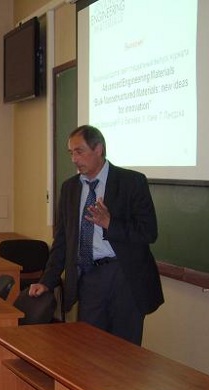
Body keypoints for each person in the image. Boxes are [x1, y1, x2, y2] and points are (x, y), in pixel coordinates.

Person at [29, 125, 164, 346]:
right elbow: (62, 241)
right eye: (71, 153)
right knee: (89, 348)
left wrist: (110, 223)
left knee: (124, 352)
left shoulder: (131, 182)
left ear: (98, 149)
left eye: (79, 151)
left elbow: (149, 232)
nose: (74, 159)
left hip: (124, 276)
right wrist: (47, 281)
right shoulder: (70, 188)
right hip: (89, 277)